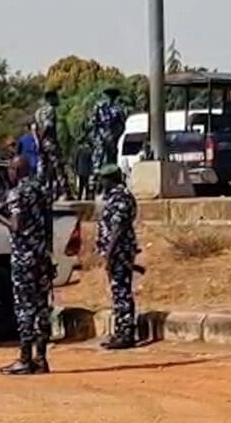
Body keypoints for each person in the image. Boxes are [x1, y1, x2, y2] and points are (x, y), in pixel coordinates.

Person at [0, 156, 53, 375]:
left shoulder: (16, 193)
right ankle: (42, 358)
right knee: (42, 308)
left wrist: (0, 217)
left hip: (24, 259)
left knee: (24, 309)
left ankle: (25, 359)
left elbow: (16, 226)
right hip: (41, 257)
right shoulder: (41, 190)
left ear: (15, 171)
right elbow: (48, 225)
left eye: (10, 168)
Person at [96, 164, 139, 349]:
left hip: (119, 251)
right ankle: (121, 330)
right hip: (117, 251)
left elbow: (118, 229)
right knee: (118, 290)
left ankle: (125, 333)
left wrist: (109, 254)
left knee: (121, 291)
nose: (101, 183)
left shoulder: (121, 197)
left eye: (103, 179)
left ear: (110, 179)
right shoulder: (113, 196)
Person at [34, 90, 71, 200]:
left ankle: (39, 190)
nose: (57, 100)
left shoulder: (38, 111)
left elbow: (34, 128)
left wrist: (38, 142)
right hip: (50, 142)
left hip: (41, 144)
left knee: (42, 168)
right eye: (56, 97)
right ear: (50, 98)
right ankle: (65, 193)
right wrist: (42, 139)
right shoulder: (50, 110)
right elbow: (47, 126)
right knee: (58, 167)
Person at [89, 88, 129, 190]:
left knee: (109, 161)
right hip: (102, 139)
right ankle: (95, 185)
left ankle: (105, 184)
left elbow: (123, 124)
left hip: (110, 139)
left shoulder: (117, 109)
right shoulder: (100, 107)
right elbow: (93, 123)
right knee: (100, 161)